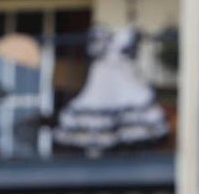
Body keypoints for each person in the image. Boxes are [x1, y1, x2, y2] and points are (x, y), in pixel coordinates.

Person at [54, 26, 169, 154]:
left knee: (128, 118)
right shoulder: (101, 40)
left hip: (122, 81)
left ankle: (125, 151)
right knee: (100, 118)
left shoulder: (124, 39)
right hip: (102, 83)